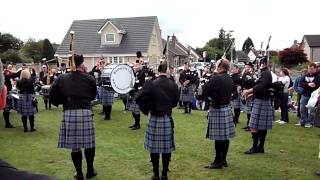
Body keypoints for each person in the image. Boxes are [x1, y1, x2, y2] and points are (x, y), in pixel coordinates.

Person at [50, 54, 97, 180]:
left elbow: (53, 93)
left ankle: (79, 173)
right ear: (81, 63)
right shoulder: (89, 78)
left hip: (69, 112)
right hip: (85, 111)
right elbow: (93, 95)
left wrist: (62, 101)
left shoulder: (61, 78)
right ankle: (90, 171)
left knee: (75, 146)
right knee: (89, 144)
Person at [135, 62, 179, 180]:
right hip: (166, 118)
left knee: (154, 149)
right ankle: (164, 174)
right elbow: (175, 103)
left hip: (154, 118)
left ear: (158, 71)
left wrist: (147, 108)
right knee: (166, 148)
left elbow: (138, 98)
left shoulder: (151, 83)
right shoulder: (173, 84)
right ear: (167, 71)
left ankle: (155, 174)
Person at [199, 59, 235, 169]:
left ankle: (217, 161)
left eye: (217, 65)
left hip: (217, 108)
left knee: (219, 138)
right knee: (225, 137)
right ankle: (223, 159)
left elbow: (204, 89)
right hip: (226, 108)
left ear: (220, 66)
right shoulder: (229, 78)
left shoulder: (216, 78)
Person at [243, 57, 274, 154]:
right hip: (262, 100)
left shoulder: (265, 73)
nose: (257, 65)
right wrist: (252, 95)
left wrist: (248, 91)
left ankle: (255, 147)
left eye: (258, 63)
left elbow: (261, 86)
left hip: (261, 101)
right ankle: (260, 147)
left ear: (263, 64)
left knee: (253, 125)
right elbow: (261, 87)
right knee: (262, 126)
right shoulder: (266, 73)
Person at [127, 51, 145, 130]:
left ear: (141, 65)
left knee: (136, 110)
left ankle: (138, 124)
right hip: (133, 92)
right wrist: (134, 70)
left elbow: (139, 79)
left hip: (138, 92)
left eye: (137, 65)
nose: (135, 66)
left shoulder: (142, 72)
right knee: (133, 109)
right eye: (135, 64)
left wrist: (140, 63)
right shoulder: (135, 72)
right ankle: (135, 123)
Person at [299, 63, 320, 128]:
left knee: (312, 110)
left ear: (315, 69)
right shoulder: (305, 75)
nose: (310, 70)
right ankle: (303, 121)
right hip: (305, 94)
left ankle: (310, 122)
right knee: (302, 108)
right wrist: (308, 84)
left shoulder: (318, 76)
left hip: (314, 96)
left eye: (311, 69)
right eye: (309, 68)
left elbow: (317, 84)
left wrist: (315, 85)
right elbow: (301, 84)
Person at [241, 62, 257, 131]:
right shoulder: (245, 74)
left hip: (251, 93)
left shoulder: (253, 74)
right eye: (245, 66)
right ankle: (248, 124)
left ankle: (251, 125)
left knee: (251, 111)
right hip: (245, 92)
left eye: (247, 66)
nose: (245, 67)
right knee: (248, 110)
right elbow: (242, 82)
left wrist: (250, 93)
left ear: (251, 67)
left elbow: (254, 84)